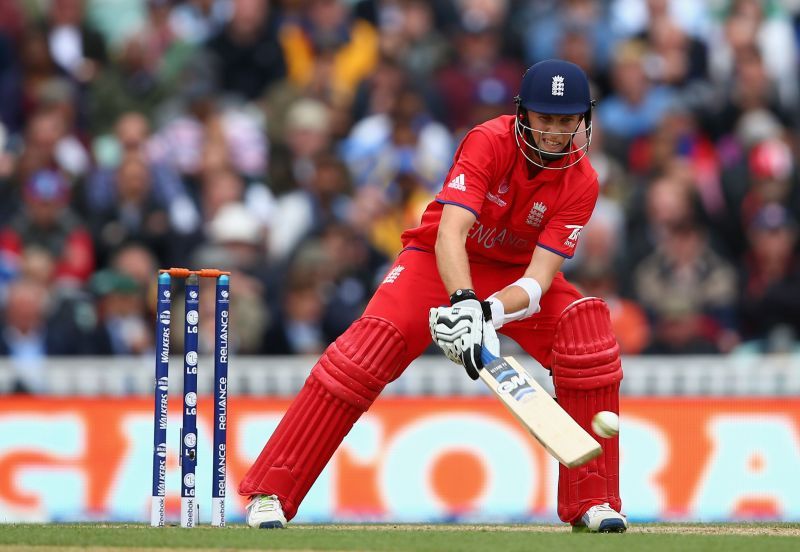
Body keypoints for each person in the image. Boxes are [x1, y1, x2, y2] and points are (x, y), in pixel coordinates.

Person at [240, 59, 627, 533]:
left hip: (512, 275)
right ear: (523, 114)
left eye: (566, 121)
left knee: (587, 335)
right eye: (545, 119)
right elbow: (450, 233)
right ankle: (271, 493)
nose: (553, 133)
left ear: (584, 120)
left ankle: (594, 502)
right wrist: (464, 300)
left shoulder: (582, 181)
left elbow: (537, 281)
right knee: (363, 354)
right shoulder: (489, 140)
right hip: (436, 259)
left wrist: (487, 314)